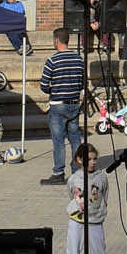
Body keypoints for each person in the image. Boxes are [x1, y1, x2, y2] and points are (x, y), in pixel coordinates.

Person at [40, 28, 87, 182]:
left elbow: (43, 85)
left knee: (58, 140)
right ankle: (77, 170)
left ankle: (58, 173)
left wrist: (53, 90)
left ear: (56, 40)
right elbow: (83, 83)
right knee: (75, 139)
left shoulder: (52, 60)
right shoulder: (79, 59)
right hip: (74, 103)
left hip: (58, 105)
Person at [63, 142, 113, 254]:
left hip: (95, 220)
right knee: (73, 250)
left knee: (99, 251)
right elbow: (71, 194)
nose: (93, 162)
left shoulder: (101, 177)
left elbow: (104, 194)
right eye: (89, 159)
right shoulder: (74, 178)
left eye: (95, 159)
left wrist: (100, 209)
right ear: (79, 160)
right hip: (77, 219)